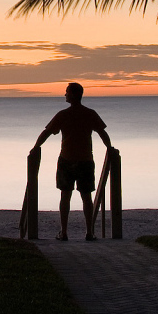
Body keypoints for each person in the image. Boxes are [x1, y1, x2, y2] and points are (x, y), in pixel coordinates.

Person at [31, 82, 111, 241]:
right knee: (86, 197)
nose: (64, 94)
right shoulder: (89, 113)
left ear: (73, 95)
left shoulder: (63, 114)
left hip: (67, 160)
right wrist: (110, 147)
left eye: (67, 92)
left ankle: (65, 232)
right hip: (85, 160)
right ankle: (89, 232)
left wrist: (36, 146)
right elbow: (102, 133)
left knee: (66, 195)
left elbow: (47, 132)